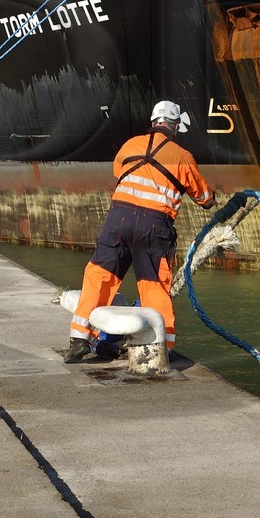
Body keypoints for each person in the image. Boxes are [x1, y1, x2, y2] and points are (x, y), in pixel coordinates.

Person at [65, 100, 217, 363]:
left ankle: (80, 339)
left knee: (100, 275)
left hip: (118, 219)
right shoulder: (182, 156)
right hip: (154, 226)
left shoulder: (130, 145)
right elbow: (204, 198)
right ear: (176, 126)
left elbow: (119, 171)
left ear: (153, 121)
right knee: (153, 285)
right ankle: (160, 345)